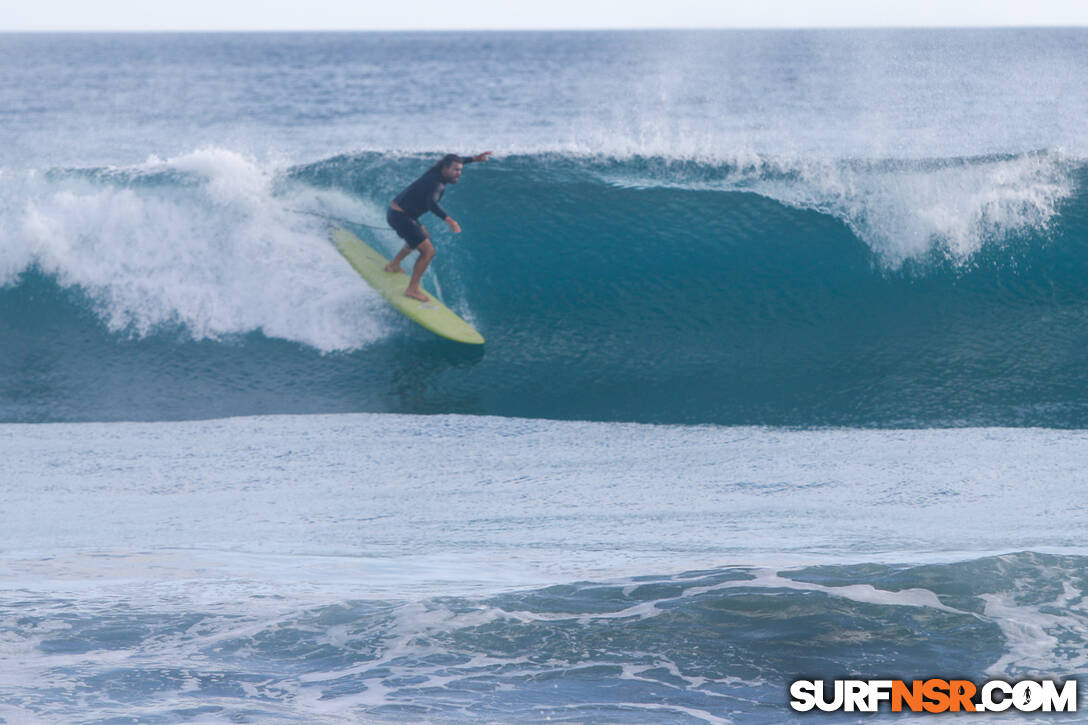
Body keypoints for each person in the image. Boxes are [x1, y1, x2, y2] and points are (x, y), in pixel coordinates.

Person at [384, 151, 492, 301]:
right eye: (455, 170)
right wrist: (450, 220)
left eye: (460, 170)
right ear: (445, 168)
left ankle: (393, 265)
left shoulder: (436, 171)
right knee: (428, 251)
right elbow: (432, 204)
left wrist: (473, 159)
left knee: (422, 237)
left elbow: (456, 160)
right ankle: (412, 289)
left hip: (397, 212)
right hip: (402, 217)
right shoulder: (437, 184)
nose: (458, 173)